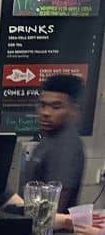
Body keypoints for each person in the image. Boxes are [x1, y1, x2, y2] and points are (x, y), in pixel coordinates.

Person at [19, 73, 85, 214]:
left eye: (56, 107)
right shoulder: (48, 139)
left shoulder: (67, 147)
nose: (46, 113)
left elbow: (52, 211)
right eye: (43, 105)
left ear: (74, 111)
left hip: (47, 227)